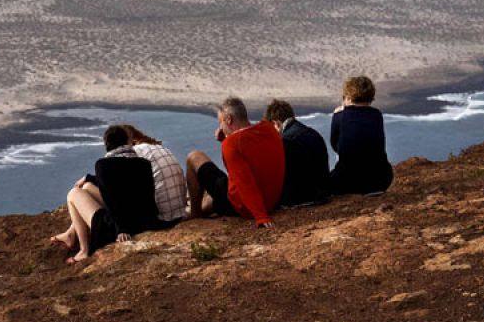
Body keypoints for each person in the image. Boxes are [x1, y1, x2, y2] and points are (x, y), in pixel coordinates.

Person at [50, 124, 165, 264]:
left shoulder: (103, 165)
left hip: (118, 227)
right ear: (128, 142)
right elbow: (144, 194)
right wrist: (89, 178)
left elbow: (110, 198)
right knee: (87, 187)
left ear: (107, 144)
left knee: (73, 193)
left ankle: (84, 251)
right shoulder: (144, 163)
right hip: (145, 222)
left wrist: (121, 229)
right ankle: (70, 234)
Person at [184, 96, 285, 227]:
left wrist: (261, 216)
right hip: (271, 200)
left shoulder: (231, 144)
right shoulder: (269, 129)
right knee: (213, 196)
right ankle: (204, 207)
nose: (220, 127)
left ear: (229, 119)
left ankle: (195, 215)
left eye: (220, 122)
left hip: (243, 207)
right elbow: (252, 152)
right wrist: (226, 138)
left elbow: (245, 182)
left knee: (194, 157)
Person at [329, 75, 394, 195]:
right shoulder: (377, 115)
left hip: (348, 182)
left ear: (348, 97)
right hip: (380, 180)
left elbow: (335, 145)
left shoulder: (339, 116)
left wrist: (338, 112)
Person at [264, 99, 331, 208]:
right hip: (322, 194)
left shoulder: (285, 141)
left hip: (298, 198)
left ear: (276, 123)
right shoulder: (313, 133)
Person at [121, 124, 188, 225]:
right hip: (180, 212)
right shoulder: (159, 147)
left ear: (131, 141)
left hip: (161, 217)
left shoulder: (134, 151)